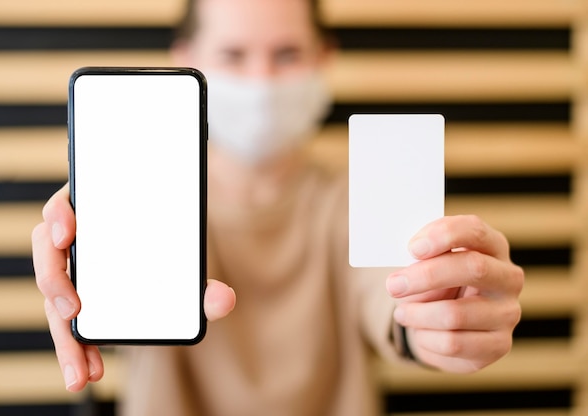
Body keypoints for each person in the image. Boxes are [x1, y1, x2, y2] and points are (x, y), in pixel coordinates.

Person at [31, 0, 524, 414]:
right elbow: (115, 320)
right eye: (233, 54)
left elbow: (390, 292)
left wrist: (440, 319)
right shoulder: (139, 207)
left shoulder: (355, 200)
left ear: (324, 59)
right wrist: (84, 273)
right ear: (185, 58)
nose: (261, 79)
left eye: (286, 53)